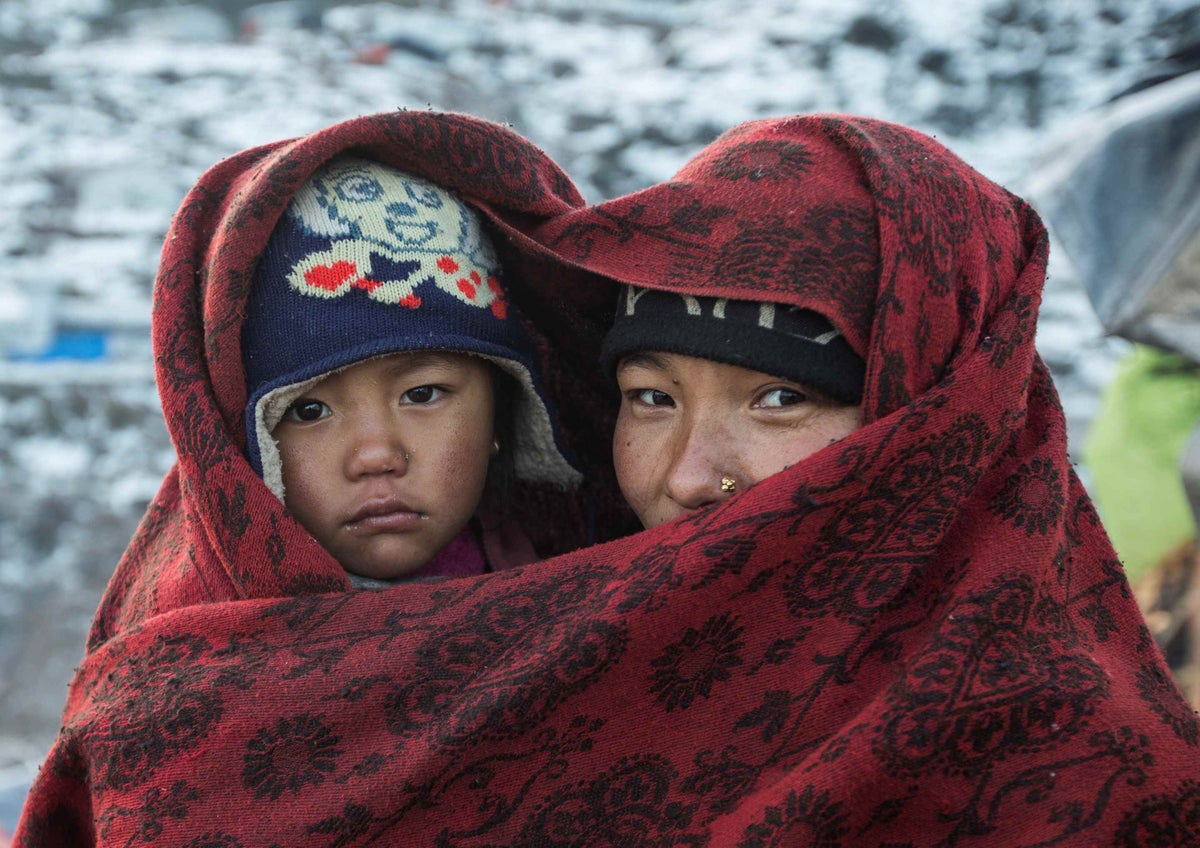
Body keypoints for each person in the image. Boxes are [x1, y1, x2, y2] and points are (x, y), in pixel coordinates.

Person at [16, 112, 1199, 847]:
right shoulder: (599, 642)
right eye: (648, 397)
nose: (690, 472)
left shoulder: (1080, 762)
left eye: (779, 398)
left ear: (934, 422)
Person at [240, 155, 580, 583]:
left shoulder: (596, 582)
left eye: (421, 394)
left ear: (504, 409)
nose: (376, 457)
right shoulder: (190, 644)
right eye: (308, 411)